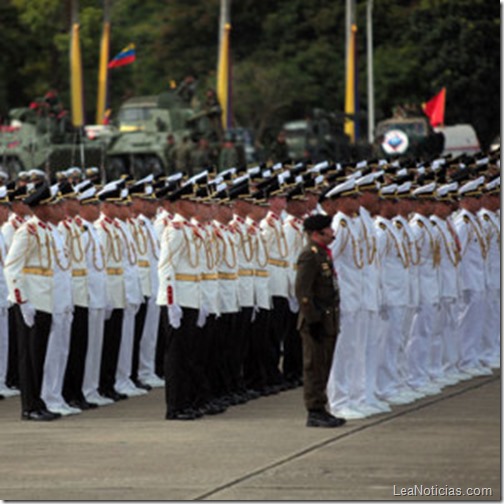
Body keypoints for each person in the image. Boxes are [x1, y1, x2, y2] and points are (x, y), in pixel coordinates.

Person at [295, 214, 345, 428]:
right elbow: (303, 291)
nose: (333, 233)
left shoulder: (323, 254)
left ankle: (322, 408)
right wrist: (313, 319)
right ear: (317, 233)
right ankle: (314, 410)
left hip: (328, 318)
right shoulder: (310, 255)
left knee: (324, 366)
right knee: (314, 366)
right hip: (316, 321)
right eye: (328, 230)